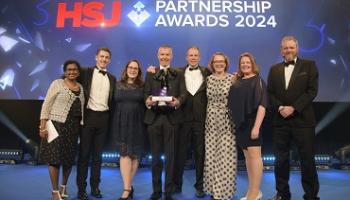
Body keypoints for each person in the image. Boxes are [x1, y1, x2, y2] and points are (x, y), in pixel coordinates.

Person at [267, 36, 319, 200]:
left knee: (307, 160)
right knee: (280, 160)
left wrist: (294, 108)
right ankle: (282, 193)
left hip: (303, 121)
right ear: (281, 51)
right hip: (280, 121)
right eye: (285, 48)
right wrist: (281, 107)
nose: (288, 50)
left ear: (297, 48)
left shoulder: (309, 66)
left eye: (291, 47)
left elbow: (311, 91)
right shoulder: (274, 69)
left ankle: (310, 195)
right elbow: (270, 93)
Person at [144, 45, 187, 200]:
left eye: (167, 54)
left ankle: (168, 192)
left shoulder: (179, 73)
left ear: (172, 56)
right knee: (155, 158)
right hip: (154, 118)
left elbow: (183, 93)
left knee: (170, 158)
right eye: (162, 54)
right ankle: (156, 191)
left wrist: (178, 102)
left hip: (172, 119)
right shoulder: (151, 73)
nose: (164, 57)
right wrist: (147, 100)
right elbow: (146, 93)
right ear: (157, 55)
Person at [39, 60, 84, 200]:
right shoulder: (57, 84)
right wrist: (42, 125)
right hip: (56, 125)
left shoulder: (81, 87)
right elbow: (46, 104)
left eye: (75, 69)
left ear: (78, 71)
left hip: (73, 127)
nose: (72, 72)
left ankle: (63, 187)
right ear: (65, 71)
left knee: (68, 159)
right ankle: (55, 190)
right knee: (54, 159)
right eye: (69, 69)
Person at [76, 47, 116, 200]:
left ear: (110, 60)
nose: (104, 59)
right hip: (88, 117)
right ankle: (81, 189)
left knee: (98, 157)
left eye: (107, 57)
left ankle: (95, 187)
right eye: (101, 56)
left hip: (104, 118)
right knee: (84, 155)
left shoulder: (112, 78)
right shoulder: (86, 72)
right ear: (96, 57)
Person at [228, 52, 267, 200]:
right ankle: (253, 191)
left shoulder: (258, 80)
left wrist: (256, 127)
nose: (245, 65)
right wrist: (234, 81)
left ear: (253, 64)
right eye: (242, 63)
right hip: (241, 125)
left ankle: (255, 192)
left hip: (253, 123)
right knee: (248, 158)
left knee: (255, 157)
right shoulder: (237, 81)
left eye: (248, 62)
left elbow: (262, 106)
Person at [173, 46, 210, 198]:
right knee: (180, 153)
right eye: (191, 55)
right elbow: (162, 75)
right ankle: (176, 184)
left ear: (199, 57)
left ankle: (200, 186)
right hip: (182, 119)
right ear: (186, 57)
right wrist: (152, 71)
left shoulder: (207, 72)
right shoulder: (178, 72)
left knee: (200, 154)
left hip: (201, 120)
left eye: (196, 55)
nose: (193, 57)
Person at [203, 52, 237, 200]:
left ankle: (222, 192)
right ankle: (213, 189)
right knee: (211, 157)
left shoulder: (233, 79)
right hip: (210, 123)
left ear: (226, 63)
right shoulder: (208, 79)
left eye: (221, 61)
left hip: (227, 122)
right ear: (212, 63)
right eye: (216, 61)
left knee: (225, 157)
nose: (219, 64)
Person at [110, 60, 146, 200]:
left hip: (137, 122)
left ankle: (128, 187)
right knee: (124, 154)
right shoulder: (117, 84)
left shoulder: (143, 86)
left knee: (135, 155)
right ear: (126, 69)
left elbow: (149, 100)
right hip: (120, 122)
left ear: (138, 71)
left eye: (135, 68)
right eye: (130, 67)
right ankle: (127, 188)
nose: (132, 70)